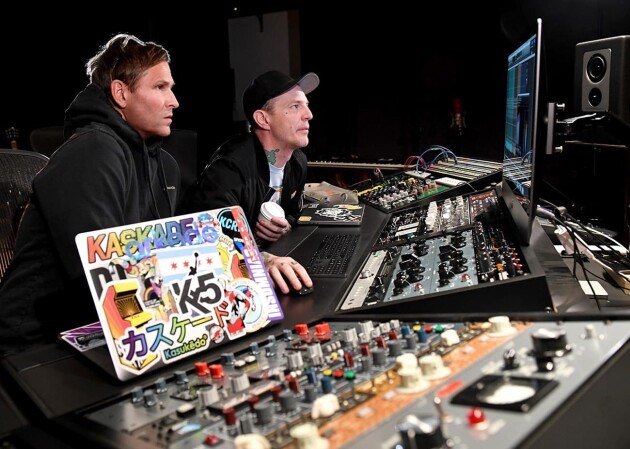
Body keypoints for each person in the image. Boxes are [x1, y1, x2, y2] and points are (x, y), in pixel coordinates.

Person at [184, 70, 319, 245]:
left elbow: (293, 213)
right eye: (295, 106)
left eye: (306, 105)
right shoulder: (229, 169)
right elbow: (216, 240)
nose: (309, 114)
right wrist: (266, 257)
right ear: (263, 119)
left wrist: (286, 227)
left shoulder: (297, 162)